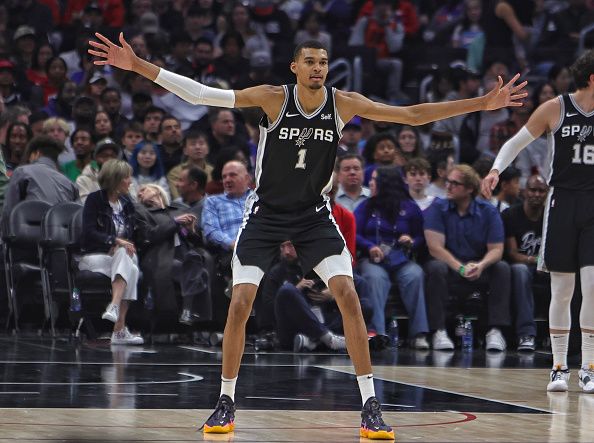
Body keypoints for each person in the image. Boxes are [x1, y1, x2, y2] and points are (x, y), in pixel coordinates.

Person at [89, 32, 526, 439]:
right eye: (310, 62)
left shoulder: (344, 103)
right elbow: (201, 95)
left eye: (324, 62)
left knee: (348, 296)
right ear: (295, 67)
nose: (318, 68)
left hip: (315, 216)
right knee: (240, 303)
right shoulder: (271, 99)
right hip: (265, 215)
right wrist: (139, 66)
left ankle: (371, 405)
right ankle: (225, 400)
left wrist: (481, 103)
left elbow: (411, 114)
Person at [482, 49, 594, 394]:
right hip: (561, 202)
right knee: (562, 291)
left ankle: (589, 366)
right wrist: (496, 170)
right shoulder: (556, 108)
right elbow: (516, 143)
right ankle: (559, 367)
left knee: (593, 290)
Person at [424, 164, 511, 351]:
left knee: (502, 268)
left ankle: (495, 331)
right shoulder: (437, 207)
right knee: (435, 267)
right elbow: (435, 248)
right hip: (450, 266)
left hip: (478, 268)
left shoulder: (488, 211)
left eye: (455, 183)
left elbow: (497, 249)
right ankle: (439, 331)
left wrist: (481, 265)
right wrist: (460, 268)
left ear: (470, 189)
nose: (448, 186)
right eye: (448, 182)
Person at [354, 166, 429, 348]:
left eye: (374, 179)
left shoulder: (410, 208)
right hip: (373, 260)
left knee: (415, 274)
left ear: (385, 183)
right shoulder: (366, 206)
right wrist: (369, 246)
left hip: (401, 259)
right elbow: (354, 233)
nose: (370, 183)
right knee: (374, 278)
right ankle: (378, 333)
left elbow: (421, 236)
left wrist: (411, 241)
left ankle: (419, 334)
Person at [80, 159, 143, 345]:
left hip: (118, 259)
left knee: (131, 265)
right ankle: (119, 327)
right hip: (94, 256)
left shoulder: (127, 203)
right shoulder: (95, 200)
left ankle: (115, 314)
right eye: (127, 177)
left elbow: (135, 234)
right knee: (128, 263)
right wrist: (113, 241)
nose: (130, 181)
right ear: (116, 179)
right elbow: (88, 232)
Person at [501, 175, 549, 352]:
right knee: (521, 271)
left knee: (565, 274)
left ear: (547, 193)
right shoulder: (511, 214)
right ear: (524, 191)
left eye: (541, 190)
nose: (536, 194)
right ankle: (526, 333)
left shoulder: (551, 217)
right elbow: (512, 253)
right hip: (521, 265)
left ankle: (563, 336)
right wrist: (535, 260)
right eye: (533, 190)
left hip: (545, 266)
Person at [1, 135, 79, 221]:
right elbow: (78, 218)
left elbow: (8, 213)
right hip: (61, 232)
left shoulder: (22, 172)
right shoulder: (71, 184)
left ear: (36, 154)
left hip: (27, 233)